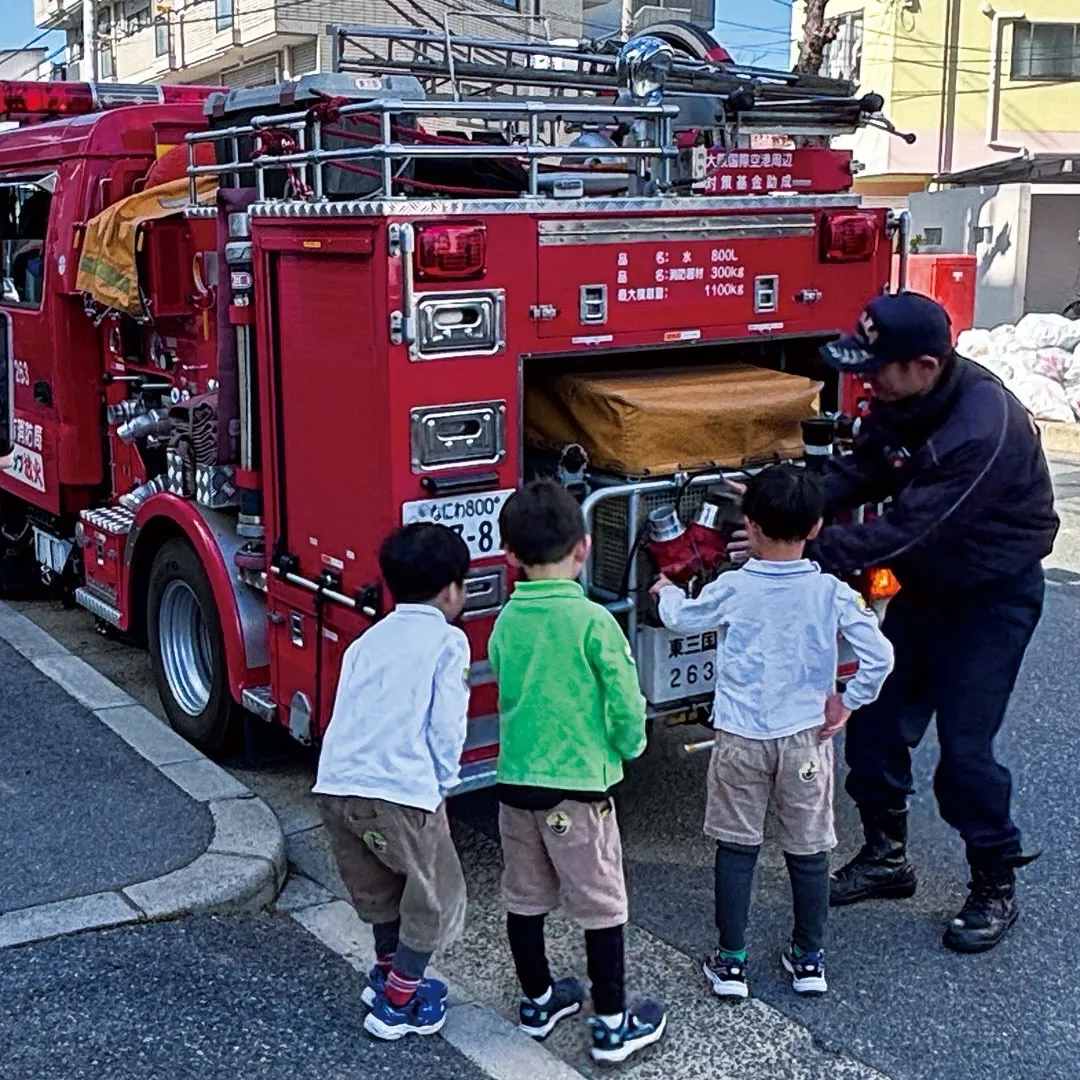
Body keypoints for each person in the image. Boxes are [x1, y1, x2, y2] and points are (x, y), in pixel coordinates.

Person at [764, 291, 1056, 953]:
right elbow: (866, 468)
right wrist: (783, 505)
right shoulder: (900, 400)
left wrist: (802, 553)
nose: (866, 380)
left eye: (877, 368)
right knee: (873, 723)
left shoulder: (981, 426)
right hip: (929, 587)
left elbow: (906, 530)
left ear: (925, 364)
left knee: (967, 753)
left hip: (992, 598)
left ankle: (994, 877)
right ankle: (887, 857)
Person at [651, 465, 894, 998]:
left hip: (740, 736)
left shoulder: (734, 586)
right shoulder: (830, 591)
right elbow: (880, 655)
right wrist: (847, 702)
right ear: (816, 528)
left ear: (750, 525)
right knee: (809, 851)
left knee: (737, 848)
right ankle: (809, 959)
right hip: (805, 737)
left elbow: (684, 619)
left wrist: (665, 591)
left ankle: (731, 963)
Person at [489, 479, 667, 1065]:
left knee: (525, 896)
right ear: (584, 548)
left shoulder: (506, 621)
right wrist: (630, 745)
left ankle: (538, 1000)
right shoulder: (593, 621)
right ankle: (612, 1024)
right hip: (578, 789)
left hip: (515, 784)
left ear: (509, 554)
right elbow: (624, 697)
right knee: (601, 904)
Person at [313, 523, 472, 1041]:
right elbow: (447, 722)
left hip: (337, 787)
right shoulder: (448, 642)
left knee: (379, 888)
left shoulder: (367, 639)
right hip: (402, 791)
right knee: (433, 893)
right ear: (450, 589)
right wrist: (445, 780)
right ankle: (400, 1002)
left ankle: (385, 974)